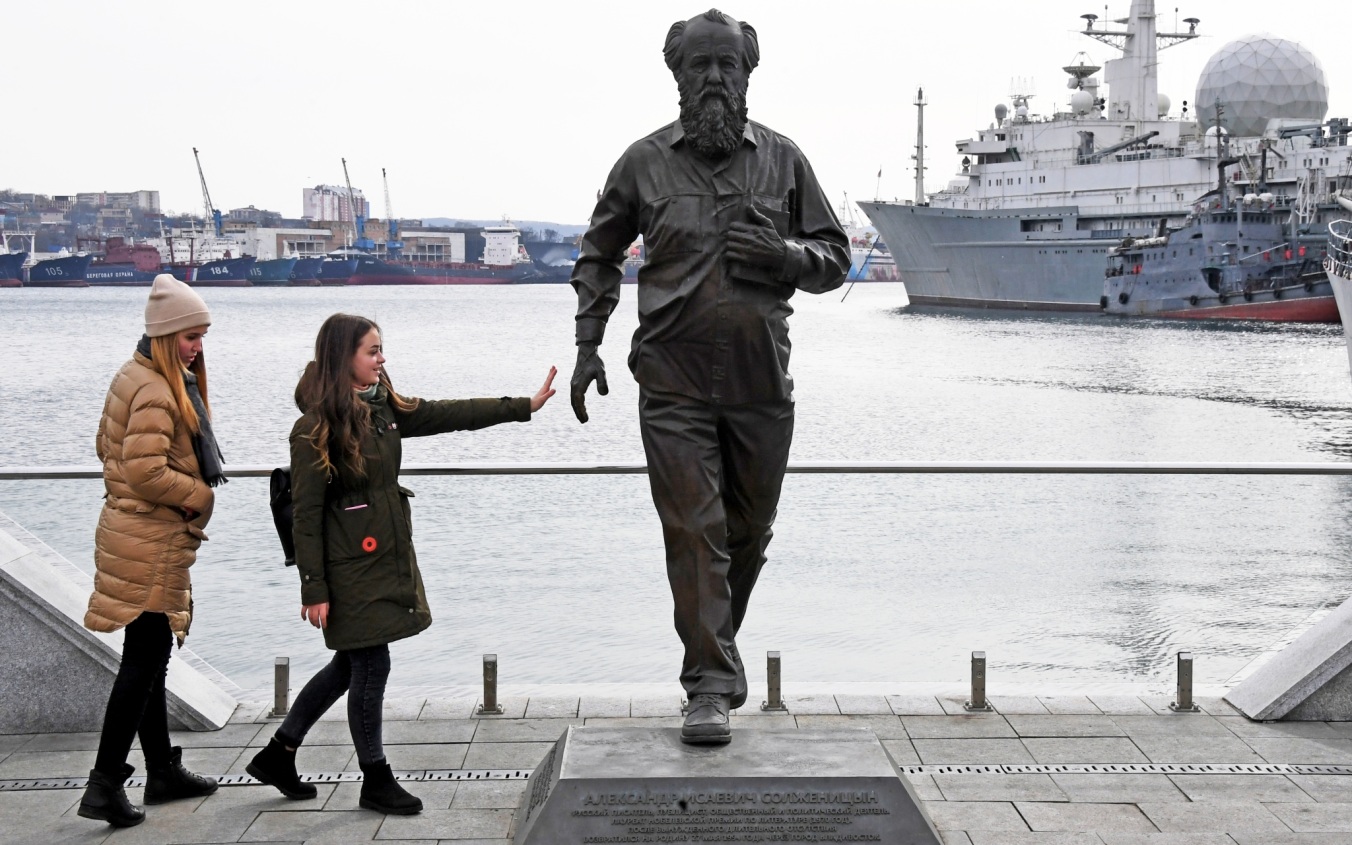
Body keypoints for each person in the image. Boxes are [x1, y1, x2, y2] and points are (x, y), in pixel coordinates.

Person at [569, 8, 850, 745]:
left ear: (748, 74)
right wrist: (588, 343)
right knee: (696, 532)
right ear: (678, 75)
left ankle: (712, 654)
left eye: (729, 65)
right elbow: (598, 254)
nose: (716, 79)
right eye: (702, 66)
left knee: (746, 533)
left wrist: (788, 257)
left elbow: (835, 257)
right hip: (674, 384)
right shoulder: (641, 164)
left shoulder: (784, 162)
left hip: (762, 385)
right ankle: (711, 685)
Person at [247, 313, 555, 815]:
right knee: (371, 663)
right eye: (372, 351)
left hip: (385, 555)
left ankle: (279, 752)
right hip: (348, 567)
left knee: (349, 663)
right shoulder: (312, 429)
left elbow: (450, 413)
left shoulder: (384, 408)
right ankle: (375, 778)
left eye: (381, 349)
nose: (382, 358)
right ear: (343, 357)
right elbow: (304, 515)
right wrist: (313, 588)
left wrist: (522, 406)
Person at [80, 274, 226, 827]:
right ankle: (103, 784)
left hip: (134, 532)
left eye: (202, 334)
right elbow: (144, 468)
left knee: (151, 657)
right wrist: (199, 495)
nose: (198, 346)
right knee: (142, 663)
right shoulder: (159, 388)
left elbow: (107, 446)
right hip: (147, 537)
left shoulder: (136, 375)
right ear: (167, 336)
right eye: (190, 336)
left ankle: (162, 770)